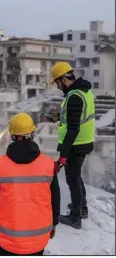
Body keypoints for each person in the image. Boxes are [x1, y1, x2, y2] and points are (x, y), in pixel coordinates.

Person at [0, 113, 61, 256]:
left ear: (13, 136)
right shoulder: (48, 164)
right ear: (32, 134)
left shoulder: (1, 164)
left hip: (8, 240)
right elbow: (55, 198)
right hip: (39, 239)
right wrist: (54, 224)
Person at [50, 62, 95, 229]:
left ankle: (76, 217)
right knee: (76, 175)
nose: (57, 86)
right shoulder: (83, 91)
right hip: (83, 142)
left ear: (64, 79)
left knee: (72, 179)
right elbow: (76, 118)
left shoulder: (74, 97)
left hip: (76, 144)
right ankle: (82, 208)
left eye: (57, 82)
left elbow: (73, 129)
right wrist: (58, 118)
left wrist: (63, 154)